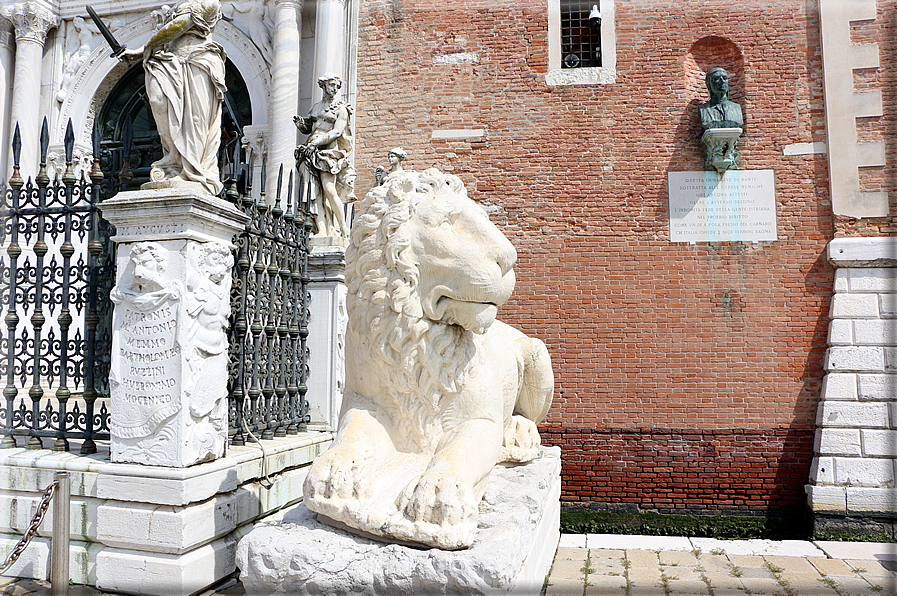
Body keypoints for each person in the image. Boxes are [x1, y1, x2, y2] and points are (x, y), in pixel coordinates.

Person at [121, 0, 227, 196]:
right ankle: (173, 160)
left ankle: (191, 170)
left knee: (194, 120)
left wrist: (142, 50)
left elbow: (181, 24)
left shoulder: (208, 2)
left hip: (198, 61)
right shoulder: (181, 4)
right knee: (158, 101)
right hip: (171, 61)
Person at [294, 73, 354, 237]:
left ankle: (343, 226)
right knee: (314, 192)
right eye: (332, 85)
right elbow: (312, 128)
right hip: (310, 151)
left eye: (337, 86)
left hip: (328, 152)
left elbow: (336, 132)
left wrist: (317, 142)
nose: (335, 89)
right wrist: (302, 126)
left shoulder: (341, 109)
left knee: (329, 189)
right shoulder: (316, 107)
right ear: (323, 85)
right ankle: (322, 230)